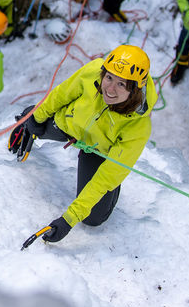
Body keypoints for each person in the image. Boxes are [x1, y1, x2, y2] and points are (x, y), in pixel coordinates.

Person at [8, 45, 156, 243]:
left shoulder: (138, 127)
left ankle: (111, 190)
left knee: (93, 218)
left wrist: (68, 220)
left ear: (135, 89)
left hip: (98, 151)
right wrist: (36, 117)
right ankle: (30, 117)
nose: (110, 89)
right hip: (70, 124)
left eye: (122, 85)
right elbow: (62, 94)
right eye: (109, 78)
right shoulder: (93, 71)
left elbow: (107, 175)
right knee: (38, 124)